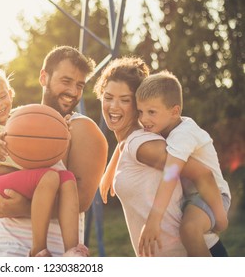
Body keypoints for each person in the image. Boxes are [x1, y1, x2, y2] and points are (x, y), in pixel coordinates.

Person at [0, 46, 108, 257]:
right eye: (66, 81)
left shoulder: (83, 128)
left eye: (79, 85)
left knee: (58, 178)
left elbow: (81, 200)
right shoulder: (13, 118)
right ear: (43, 77)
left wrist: (24, 207)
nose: (73, 91)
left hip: (54, 253)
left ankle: (68, 250)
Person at [94, 56, 228, 256]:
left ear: (137, 102)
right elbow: (126, 144)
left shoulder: (144, 144)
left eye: (124, 100)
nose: (113, 106)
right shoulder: (136, 141)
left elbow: (202, 173)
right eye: (108, 97)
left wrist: (221, 218)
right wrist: (109, 170)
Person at [135, 70, 231, 256]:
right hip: (192, 197)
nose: (143, 119)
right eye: (140, 111)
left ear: (175, 111)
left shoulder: (183, 134)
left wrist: (154, 220)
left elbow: (170, 174)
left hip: (211, 195)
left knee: (189, 230)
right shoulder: (164, 125)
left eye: (151, 112)